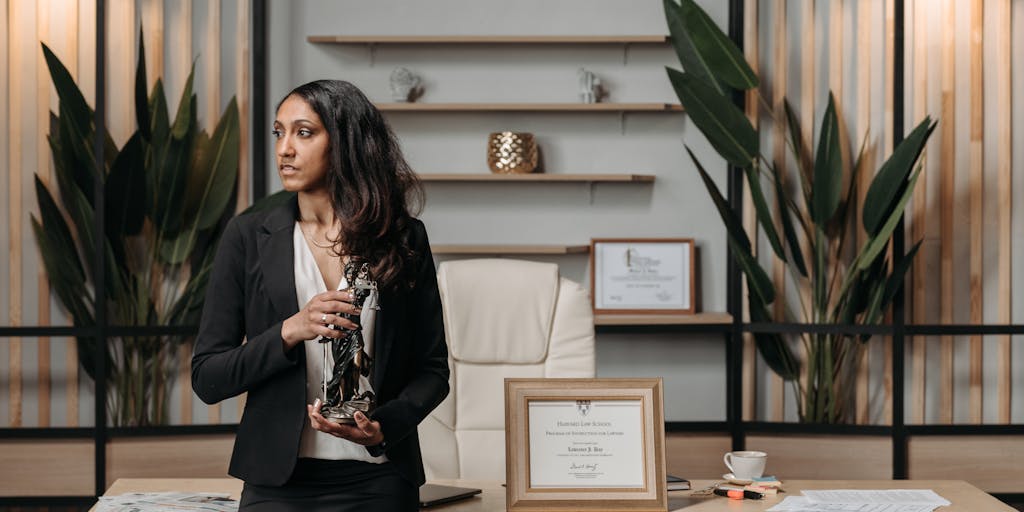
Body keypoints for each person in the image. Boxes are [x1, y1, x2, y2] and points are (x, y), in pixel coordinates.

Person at [191, 79, 449, 511]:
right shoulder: (248, 237)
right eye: (279, 132)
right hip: (278, 482)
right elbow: (208, 376)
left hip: (379, 476)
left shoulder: (402, 238)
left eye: (304, 132)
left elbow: (433, 370)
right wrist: (291, 330)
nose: (284, 149)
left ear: (345, 142)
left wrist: (384, 426)